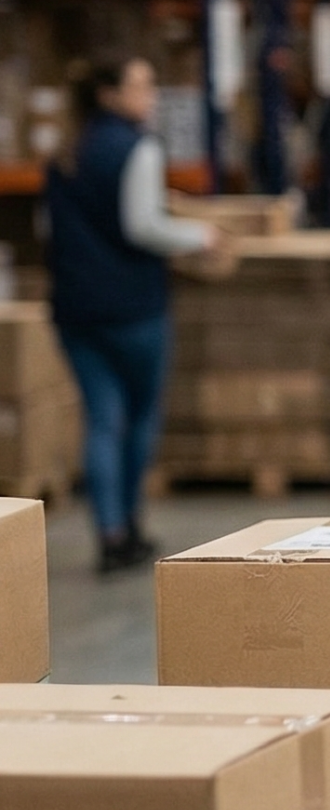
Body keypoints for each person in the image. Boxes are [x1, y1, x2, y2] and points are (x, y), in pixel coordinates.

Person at [45, 55, 220, 573]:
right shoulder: (138, 147)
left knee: (101, 419)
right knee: (139, 417)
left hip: (75, 308)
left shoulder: (65, 151)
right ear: (109, 94)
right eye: (141, 86)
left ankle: (110, 532)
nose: (151, 96)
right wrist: (201, 236)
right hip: (132, 308)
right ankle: (132, 527)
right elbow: (144, 226)